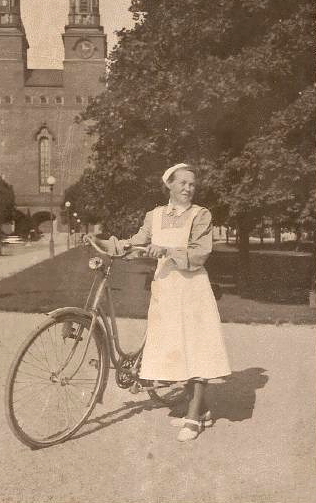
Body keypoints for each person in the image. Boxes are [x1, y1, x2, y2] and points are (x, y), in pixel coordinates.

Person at [91, 163, 231, 442]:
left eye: (192, 184)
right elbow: (133, 243)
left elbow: (200, 253)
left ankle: (194, 415)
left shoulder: (200, 215)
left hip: (191, 288)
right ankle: (201, 408)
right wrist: (102, 243)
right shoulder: (154, 216)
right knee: (175, 346)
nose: (188, 189)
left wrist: (166, 250)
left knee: (196, 346)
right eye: (182, 183)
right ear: (169, 184)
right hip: (165, 289)